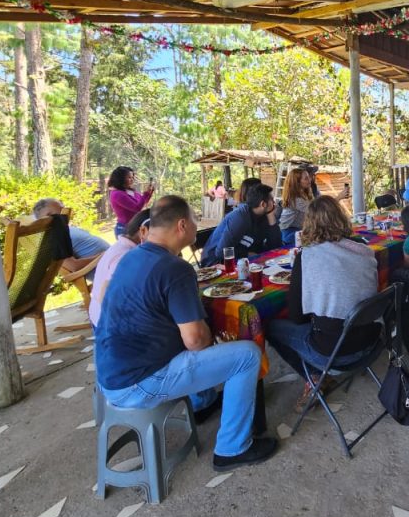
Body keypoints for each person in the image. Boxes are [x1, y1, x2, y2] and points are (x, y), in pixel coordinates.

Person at [95, 195, 277, 471]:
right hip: (140, 381)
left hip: (111, 375)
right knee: (247, 355)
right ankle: (232, 448)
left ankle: (202, 402)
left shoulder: (131, 257)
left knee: (193, 339)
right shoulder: (175, 269)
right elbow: (195, 341)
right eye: (194, 221)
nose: (196, 226)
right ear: (182, 225)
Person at [266, 196, 380, 384]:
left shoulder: (308, 256)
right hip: (371, 340)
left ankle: (313, 377)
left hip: (333, 353)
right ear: (341, 217)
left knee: (270, 326)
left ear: (309, 223)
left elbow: (297, 317)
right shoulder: (363, 248)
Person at [90, 208, 150, 326]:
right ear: (143, 231)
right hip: (110, 326)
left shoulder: (125, 247)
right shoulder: (125, 255)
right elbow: (107, 297)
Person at [201, 185, 282, 267]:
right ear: (263, 204)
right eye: (271, 199)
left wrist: (271, 215)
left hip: (245, 261)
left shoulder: (263, 215)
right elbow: (221, 252)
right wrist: (247, 253)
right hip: (216, 263)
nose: (274, 202)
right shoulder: (240, 218)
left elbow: (276, 247)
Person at [31, 198, 110, 278]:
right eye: (62, 210)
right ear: (48, 216)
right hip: (108, 271)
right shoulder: (55, 238)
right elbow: (73, 266)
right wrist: (103, 255)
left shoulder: (64, 229)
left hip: (112, 263)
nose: (66, 214)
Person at [108, 166, 154, 238]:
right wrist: (146, 194)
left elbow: (142, 204)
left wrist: (149, 193)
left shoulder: (130, 191)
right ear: (120, 179)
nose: (132, 180)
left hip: (134, 227)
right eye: (129, 177)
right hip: (125, 229)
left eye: (132, 177)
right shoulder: (117, 194)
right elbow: (137, 208)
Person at [279, 168, 314, 245]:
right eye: (306, 178)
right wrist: (338, 197)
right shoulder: (295, 199)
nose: (310, 179)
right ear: (297, 183)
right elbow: (317, 210)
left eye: (309, 177)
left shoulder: (305, 194)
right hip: (289, 233)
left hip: (298, 230)